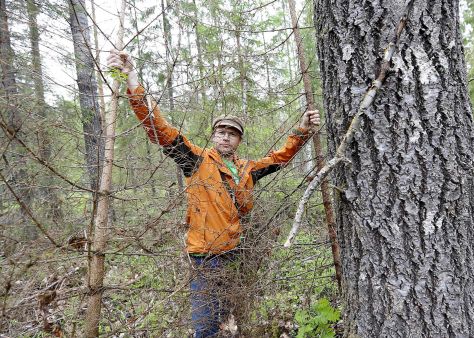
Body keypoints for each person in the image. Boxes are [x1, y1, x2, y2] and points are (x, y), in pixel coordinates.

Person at [106, 49, 320, 337]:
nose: (225, 136)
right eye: (221, 131)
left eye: (232, 133)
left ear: (239, 140)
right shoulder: (196, 160)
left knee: (226, 319)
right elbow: (159, 129)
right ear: (213, 135)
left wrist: (302, 131)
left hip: (233, 254)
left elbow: (279, 158)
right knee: (204, 326)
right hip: (204, 258)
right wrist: (131, 77)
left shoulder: (247, 169)